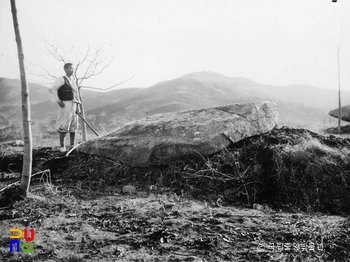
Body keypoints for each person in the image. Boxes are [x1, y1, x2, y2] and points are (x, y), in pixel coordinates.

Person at [48, 63, 81, 152]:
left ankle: (71, 146)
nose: (72, 70)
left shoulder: (73, 80)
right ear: (65, 69)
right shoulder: (62, 79)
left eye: (72, 69)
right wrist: (58, 101)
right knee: (65, 124)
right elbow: (52, 89)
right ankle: (62, 147)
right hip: (66, 104)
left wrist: (78, 106)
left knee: (74, 125)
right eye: (70, 68)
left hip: (74, 104)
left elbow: (76, 94)